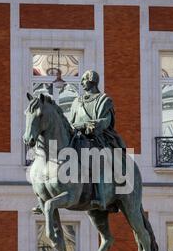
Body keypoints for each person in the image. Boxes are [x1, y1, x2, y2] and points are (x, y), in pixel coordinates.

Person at [32, 70, 125, 214]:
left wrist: (94, 125)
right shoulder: (77, 101)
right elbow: (72, 122)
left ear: (93, 81)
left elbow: (107, 121)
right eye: (81, 80)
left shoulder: (104, 100)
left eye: (84, 80)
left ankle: (99, 195)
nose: (81, 83)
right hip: (79, 136)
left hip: (97, 138)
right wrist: (76, 127)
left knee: (96, 157)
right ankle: (45, 195)